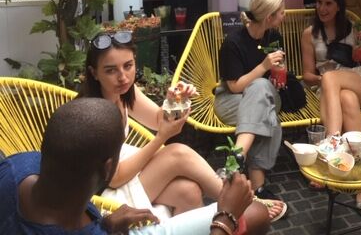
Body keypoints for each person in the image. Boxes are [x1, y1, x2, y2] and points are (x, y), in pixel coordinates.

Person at [77, 31, 276, 225]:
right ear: (94, 73)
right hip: (100, 198)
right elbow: (114, 178)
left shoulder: (123, 92)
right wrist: (160, 138)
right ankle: (238, 202)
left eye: (128, 66)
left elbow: (157, 119)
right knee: (177, 152)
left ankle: (227, 206)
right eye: (110, 70)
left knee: (189, 192)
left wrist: (175, 102)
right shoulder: (94, 114)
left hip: (121, 175)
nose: (123, 77)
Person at [0, 97, 269, 235]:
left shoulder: (16, 168)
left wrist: (105, 224)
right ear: (108, 167)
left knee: (255, 212)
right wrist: (225, 219)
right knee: (251, 215)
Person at [301, 0, 361, 215]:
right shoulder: (309, 34)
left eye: (328, 3)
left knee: (332, 78)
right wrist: (325, 81)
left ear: (338, 6)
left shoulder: (352, 28)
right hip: (328, 90)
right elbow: (307, 75)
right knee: (346, 99)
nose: (322, 8)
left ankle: (331, 143)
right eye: (319, 2)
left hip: (358, 79)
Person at [214, 0, 288, 220]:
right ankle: (258, 186)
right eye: (281, 12)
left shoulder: (273, 37)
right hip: (231, 100)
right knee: (266, 114)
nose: (284, 15)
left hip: (267, 96)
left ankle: (235, 159)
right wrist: (264, 66)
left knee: (261, 89)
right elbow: (235, 87)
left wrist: (279, 72)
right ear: (269, 17)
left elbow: (277, 76)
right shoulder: (233, 43)